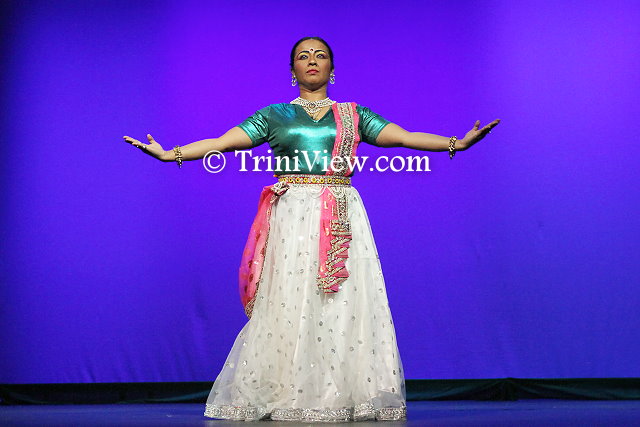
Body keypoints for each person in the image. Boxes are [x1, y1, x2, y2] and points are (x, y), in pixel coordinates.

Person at [123, 36, 499, 422]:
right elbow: (222, 143)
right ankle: (286, 390)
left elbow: (404, 137)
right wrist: (171, 154)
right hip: (291, 216)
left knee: (343, 300)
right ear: (293, 71)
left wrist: (456, 144)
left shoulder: (353, 115)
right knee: (288, 298)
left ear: (332, 69)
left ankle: (341, 392)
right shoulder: (274, 115)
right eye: (303, 56)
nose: (312, 60)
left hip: (340, 213)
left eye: (320, 55)